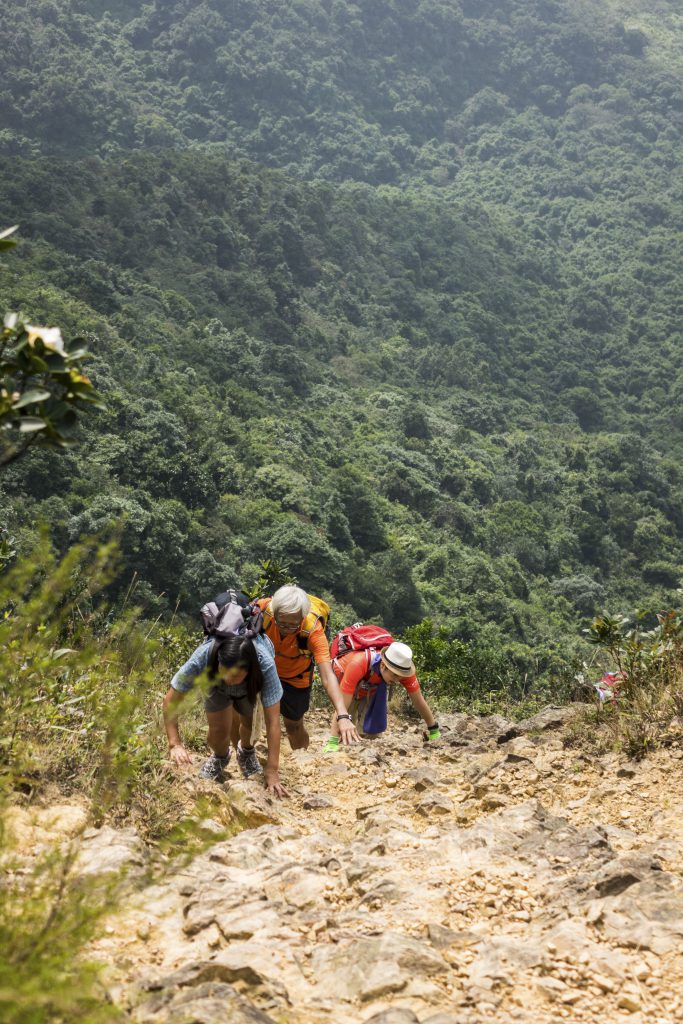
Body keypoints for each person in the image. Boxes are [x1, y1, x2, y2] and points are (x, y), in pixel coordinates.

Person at [162, 631, 289, 798]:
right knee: (218, 733)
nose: (229, 679)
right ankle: (221, 756)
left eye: (235, 675)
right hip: (214, 684)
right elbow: (170, 701)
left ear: (249, 668)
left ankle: (247, 752)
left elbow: (273, 722)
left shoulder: (264, 665)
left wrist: (272, 771)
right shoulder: (204, 656)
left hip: (250, 686)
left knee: (249, 727)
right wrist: (175, 744)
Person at [255, 586, 360, 750]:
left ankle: (302, 758)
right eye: (281, 622)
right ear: (274, 613)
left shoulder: (313, 630)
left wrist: (342, 714)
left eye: (293, 625)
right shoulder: (262, 611)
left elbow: (327, 675)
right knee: (246, 714)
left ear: (302, 617)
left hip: (295, 678)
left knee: (293, 726)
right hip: (262, 671)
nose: (286, 629)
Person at [324, 640, 440, 750]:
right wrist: (333, 741)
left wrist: (433, 729)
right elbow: (341, 706)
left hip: (372, 688)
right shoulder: (358, 663)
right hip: (348, 684)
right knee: (345, 729)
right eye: (394, 675)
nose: (397, 680)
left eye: (400, 676)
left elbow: (418, 701)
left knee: (371, 734)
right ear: (383, 665)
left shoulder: (404, 670)